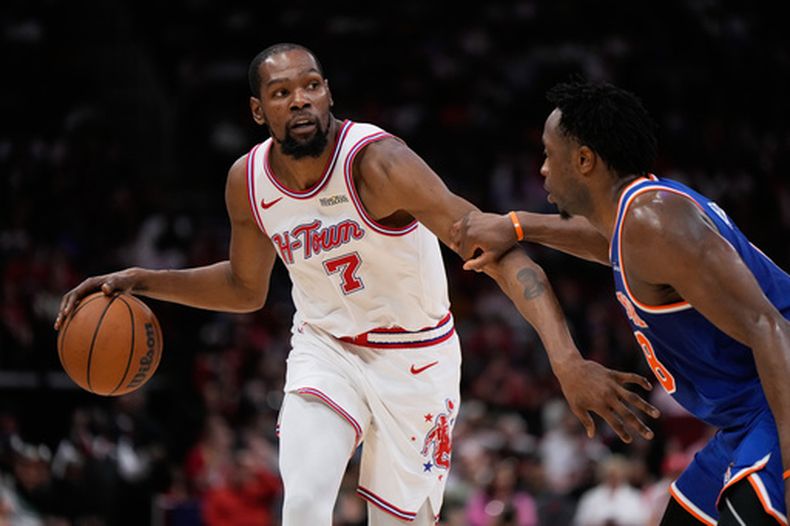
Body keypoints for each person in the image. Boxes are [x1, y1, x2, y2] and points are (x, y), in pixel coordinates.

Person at [55, 46, 657, 525]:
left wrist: (567, 359)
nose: (301, 100)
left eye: (311, 85)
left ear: (328, 92)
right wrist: (141, 280)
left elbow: (495, 251)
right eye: (281, 92)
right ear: (258, 111)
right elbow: (245, 288)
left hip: (418, 360)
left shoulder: (379, 163)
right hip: (327, 348)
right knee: (306, 503)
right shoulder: (247, 181)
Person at [452, 80, 790, 525]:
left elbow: (770, 326)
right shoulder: (641, 221)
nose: (542, 170)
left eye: (549, 153)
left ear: (585, 160)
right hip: (746, 418)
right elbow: (607, 243)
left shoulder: (655, 222)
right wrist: (518, 226)